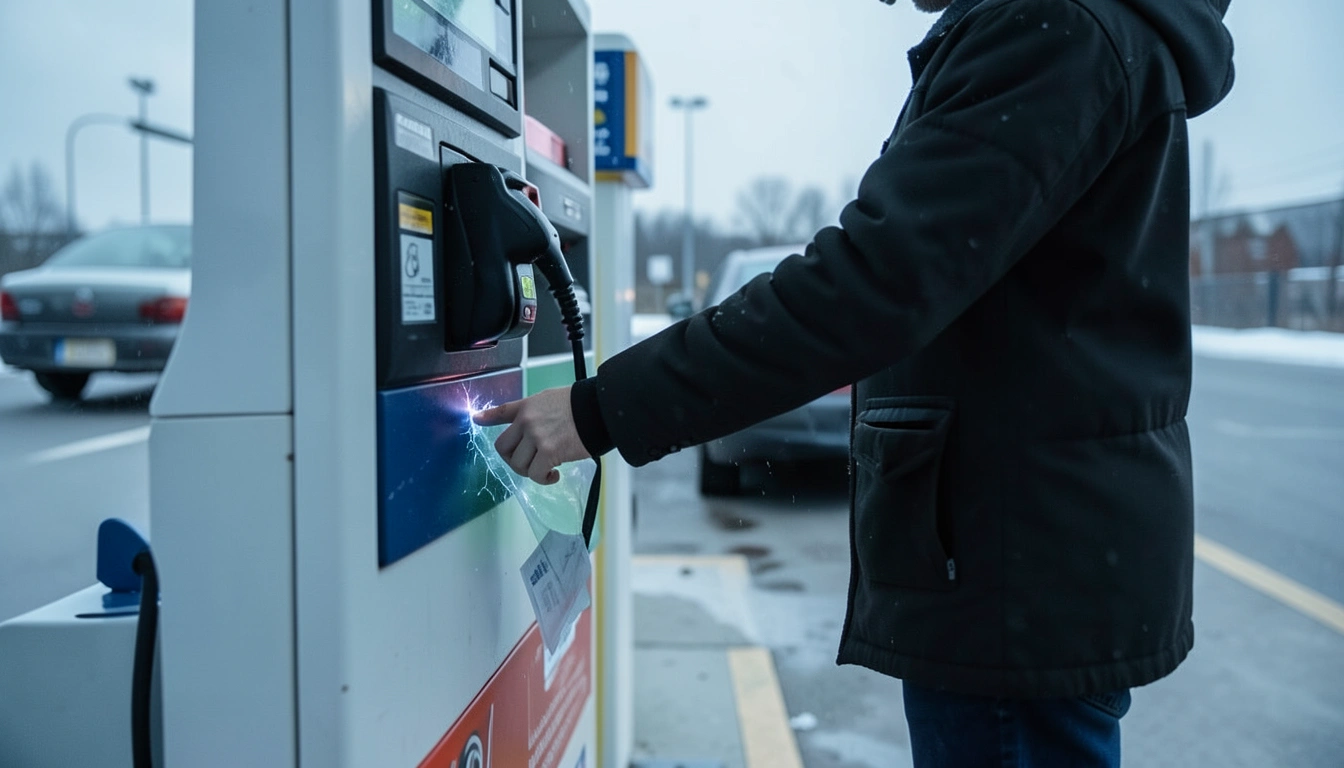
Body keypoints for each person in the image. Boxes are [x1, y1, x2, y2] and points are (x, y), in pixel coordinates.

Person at [475, 0, 1235, 764]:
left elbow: (874, 283)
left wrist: (604, 408)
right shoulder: (1060, 29)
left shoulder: (1054, 26)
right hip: (1027, 561)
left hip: (1016, 576)